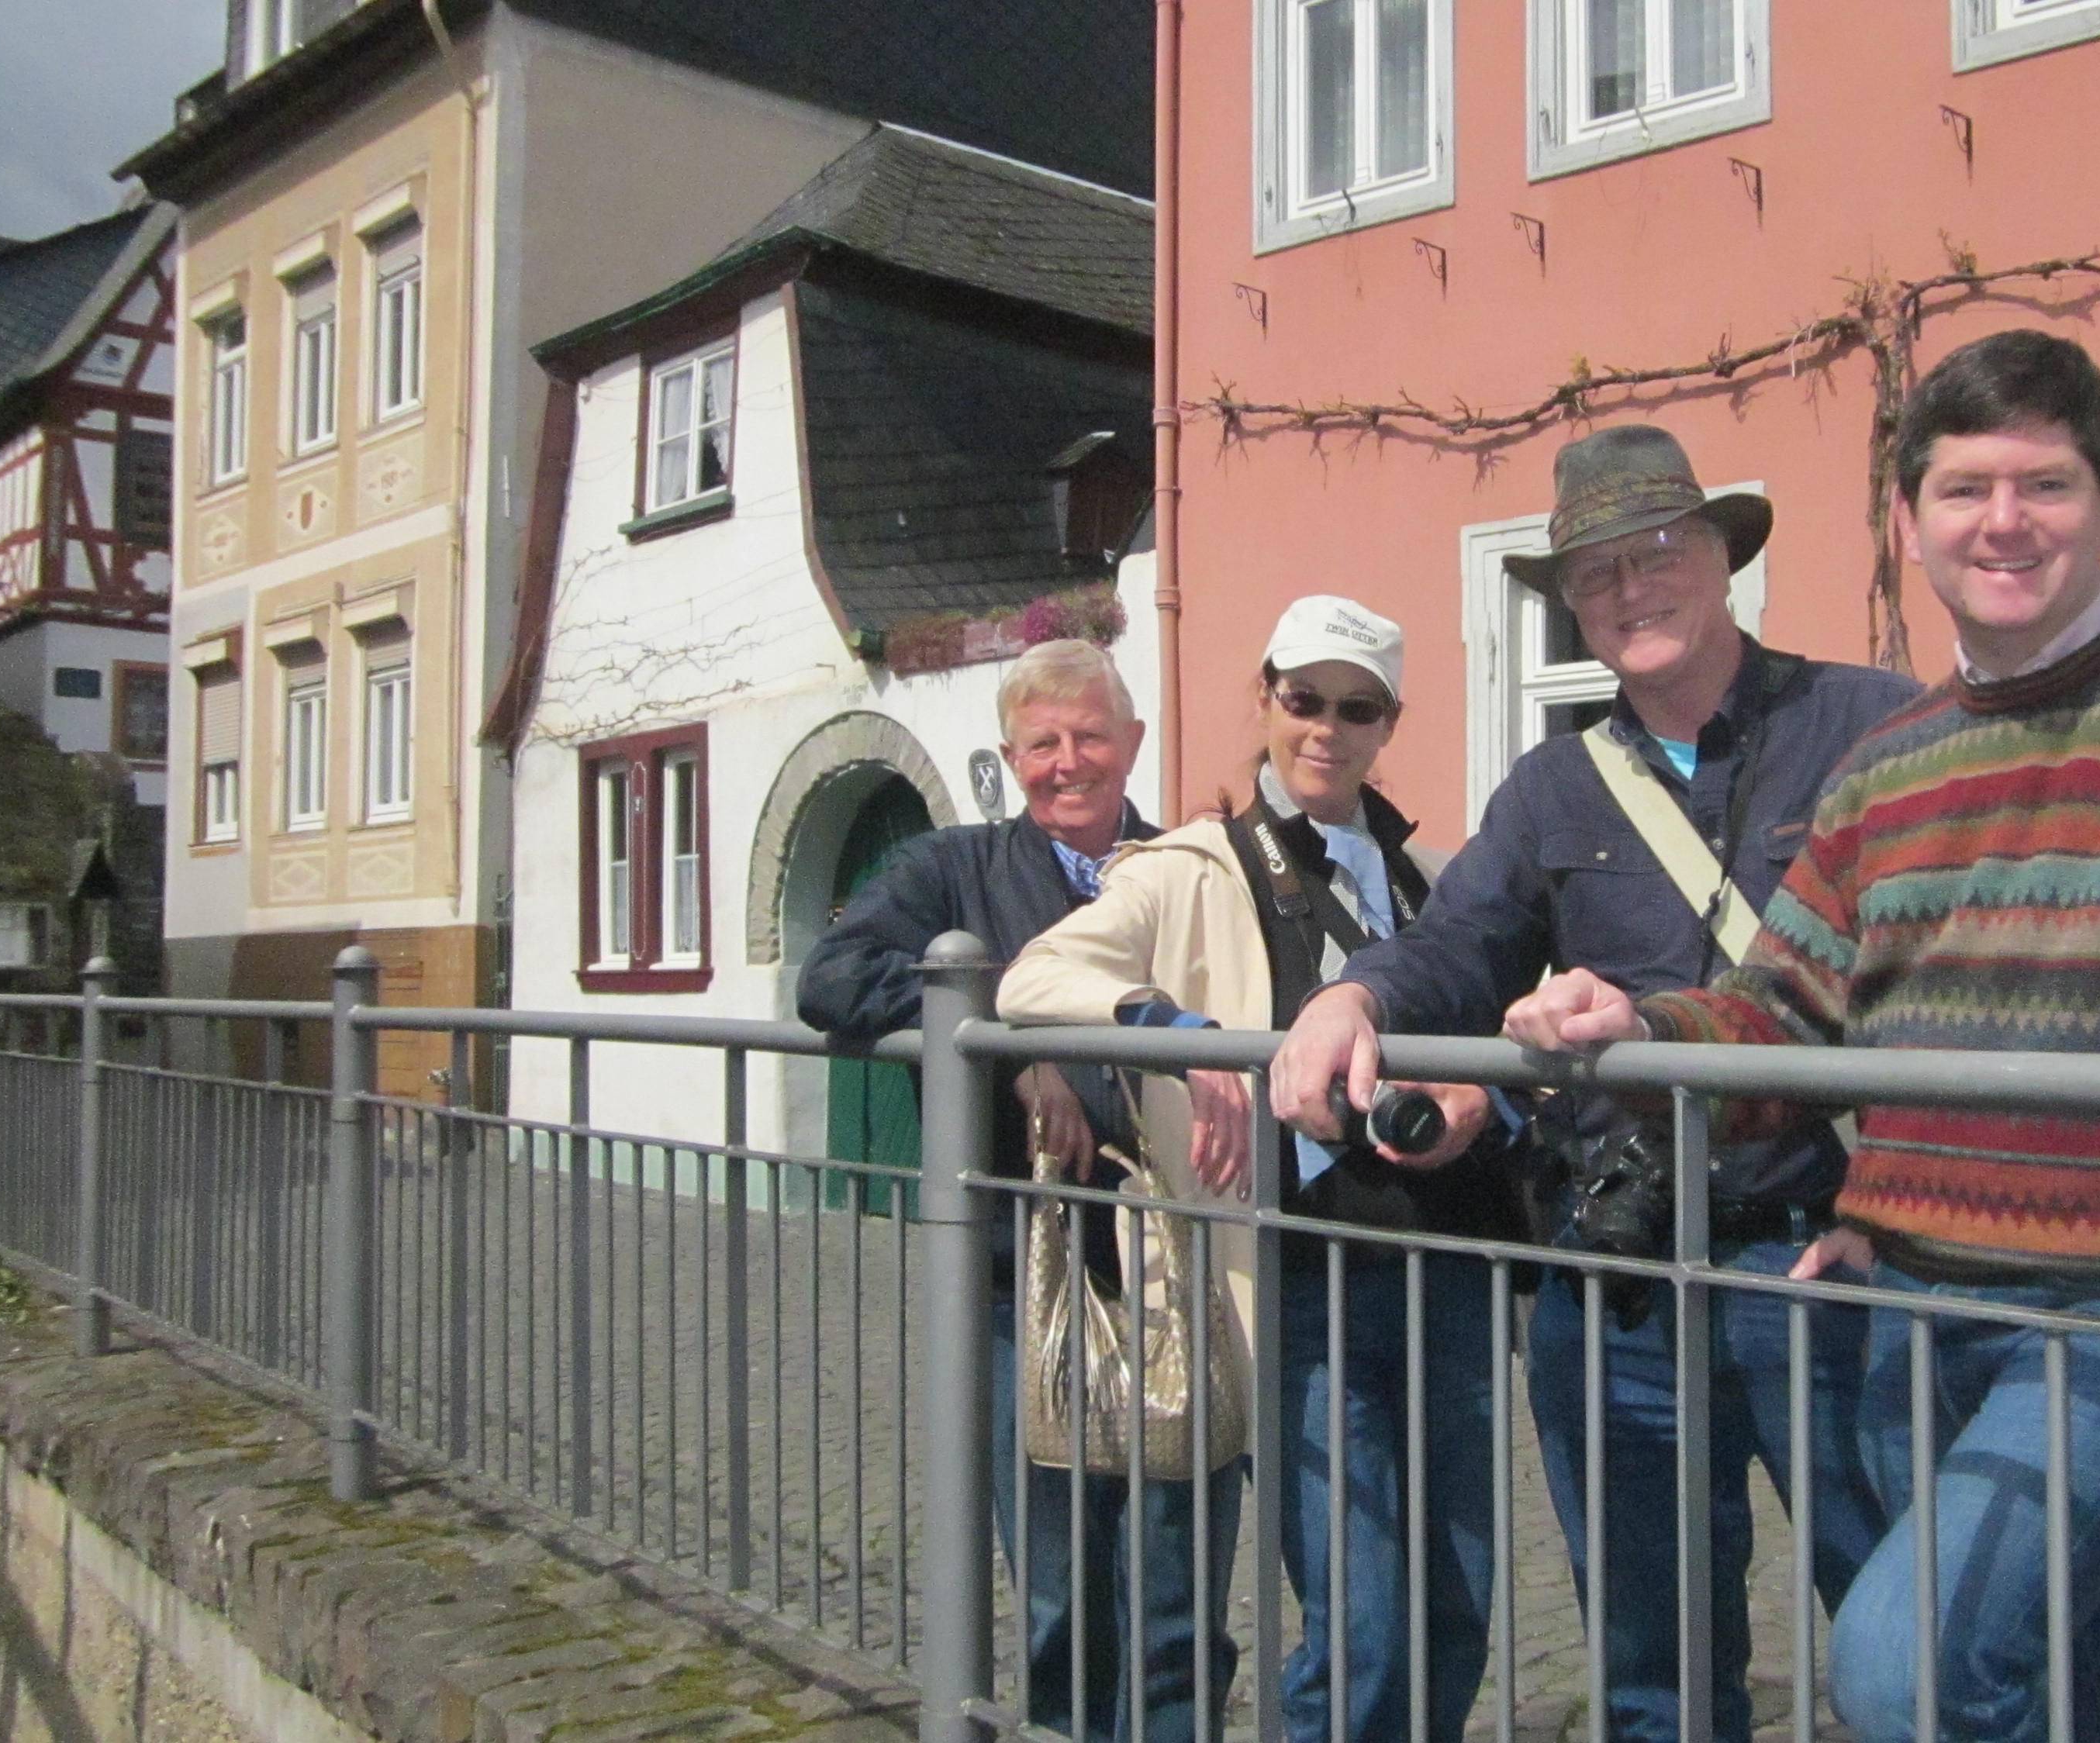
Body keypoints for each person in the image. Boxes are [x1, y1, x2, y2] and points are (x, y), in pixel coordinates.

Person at [1501, 330, 2100, 1743]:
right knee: (2046, 1665)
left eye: (2045, 485)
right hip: (1912, 1305)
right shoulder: (1888, 767)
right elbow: (1784, 1013)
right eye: (1963, 491)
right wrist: (1635, 1025)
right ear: (1908, 522)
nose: (2002, 523)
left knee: (1908, 1661)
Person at [1269, 426, 1916, 1743]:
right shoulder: (1556, 786)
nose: (1632, 589)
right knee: (1648, 1662)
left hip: (1830, 1263)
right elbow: (1459, 941)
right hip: (1616, 1283)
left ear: (1723, 558)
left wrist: (1905, 1195)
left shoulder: (1870, 723)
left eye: (1659, 552)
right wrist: (1357, 996)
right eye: (1596, 574)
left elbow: (1956, 972)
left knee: (1912, 1634)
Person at [1001, 597, 1518, 1743]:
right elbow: (1036, 978)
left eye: (1356, 708)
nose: (1325, 730)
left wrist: (1483, 1099)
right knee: (1360, 1613)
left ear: (1390, 722)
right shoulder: (1194, 866)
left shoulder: (1429, 879)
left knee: (1459, 1601)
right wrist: (1178, 1032)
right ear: (1266, 700)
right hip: (1301, 1285)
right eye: (1302, 701)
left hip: (1448, 1273)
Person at [794, 640, 1235, 1743]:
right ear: (1011, 758)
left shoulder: (1188, 866)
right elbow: (834, 978)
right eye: (1043, 743)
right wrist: (1014, 1042)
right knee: (1057, 1581)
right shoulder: (955, 867)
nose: (1069, 762)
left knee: (1179, 1585)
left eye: (1091, 736)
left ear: (1134, 744)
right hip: (1025, 1282)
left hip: (1182, 1271)